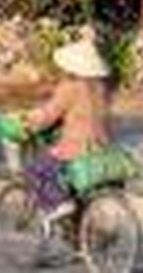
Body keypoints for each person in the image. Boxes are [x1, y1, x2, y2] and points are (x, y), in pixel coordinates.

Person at [23, 33, 113, 226]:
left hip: (77, 149)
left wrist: (30, 122)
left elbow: (49, 115)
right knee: (74, 188)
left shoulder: (70, 87)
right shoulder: (101, 87)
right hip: (102, 146)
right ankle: (81, 243)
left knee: (35, 168)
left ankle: (59, 204)